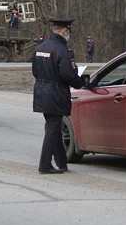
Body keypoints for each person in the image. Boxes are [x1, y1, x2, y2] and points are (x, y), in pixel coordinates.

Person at [32, 18, 86, 174]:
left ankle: (62, 162)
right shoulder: (64, 51)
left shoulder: (40, 48)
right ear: (65, 31)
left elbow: (35, 72)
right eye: (68, 32)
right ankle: (45, 164)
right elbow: (67, 75)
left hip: (41, 92)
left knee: (52, 126)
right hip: (56, 93)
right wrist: (80, 82)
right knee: (53, 128)